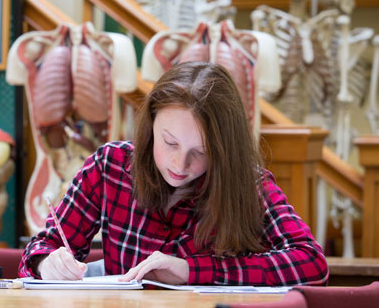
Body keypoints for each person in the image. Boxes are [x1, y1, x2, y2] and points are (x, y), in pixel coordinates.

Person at [18, 61, 328, 286]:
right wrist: (48, 264)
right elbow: (40, 249)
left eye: (201, 152)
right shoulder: (109, 165)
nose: (180, 165)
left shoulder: (249, 183)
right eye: (170, 143)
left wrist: (192, 271)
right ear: (151, 124)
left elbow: (312, 263)